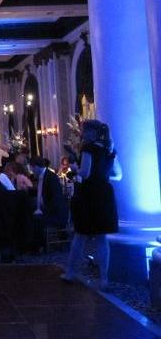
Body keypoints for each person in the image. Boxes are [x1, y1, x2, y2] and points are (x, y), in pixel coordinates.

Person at [62, 120, 122, 290]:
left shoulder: (88, 148)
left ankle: (70, 273)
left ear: (92, 133)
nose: (82, 134)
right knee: (102, 238)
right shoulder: (110, 149)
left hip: (89, 195)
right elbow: (118, 175)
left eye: (84, 131)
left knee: (80, 234)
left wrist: (74, 167)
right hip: (104, 193)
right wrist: (101, 176)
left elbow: (85, 173)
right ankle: (104, 279)